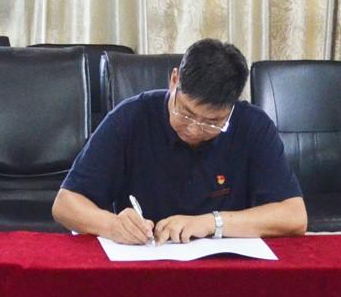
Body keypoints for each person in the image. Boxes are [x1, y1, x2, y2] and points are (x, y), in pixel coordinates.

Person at [52, 38, 307, 244]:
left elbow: (294, 217)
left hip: (225, 266)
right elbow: (65, 204)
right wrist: (112, 225)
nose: (194, 129)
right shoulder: (130, 118)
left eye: (212, 122)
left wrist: (210, 223)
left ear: (232, 105)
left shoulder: (253, 126)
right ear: (174, 80)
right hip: (145, 261)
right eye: (185, 113)